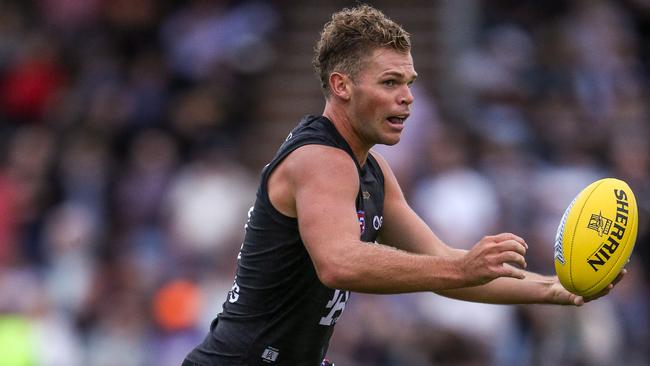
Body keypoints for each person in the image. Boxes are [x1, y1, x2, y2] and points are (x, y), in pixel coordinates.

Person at [182, 5, 624, 366]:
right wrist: (459, 269)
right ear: (342, 86)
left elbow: (444, 264)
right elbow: (339, 263)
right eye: (390, 82)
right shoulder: (321, 159)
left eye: (409, 83)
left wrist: (552, 289)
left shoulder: (372, 170)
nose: (407, 97)